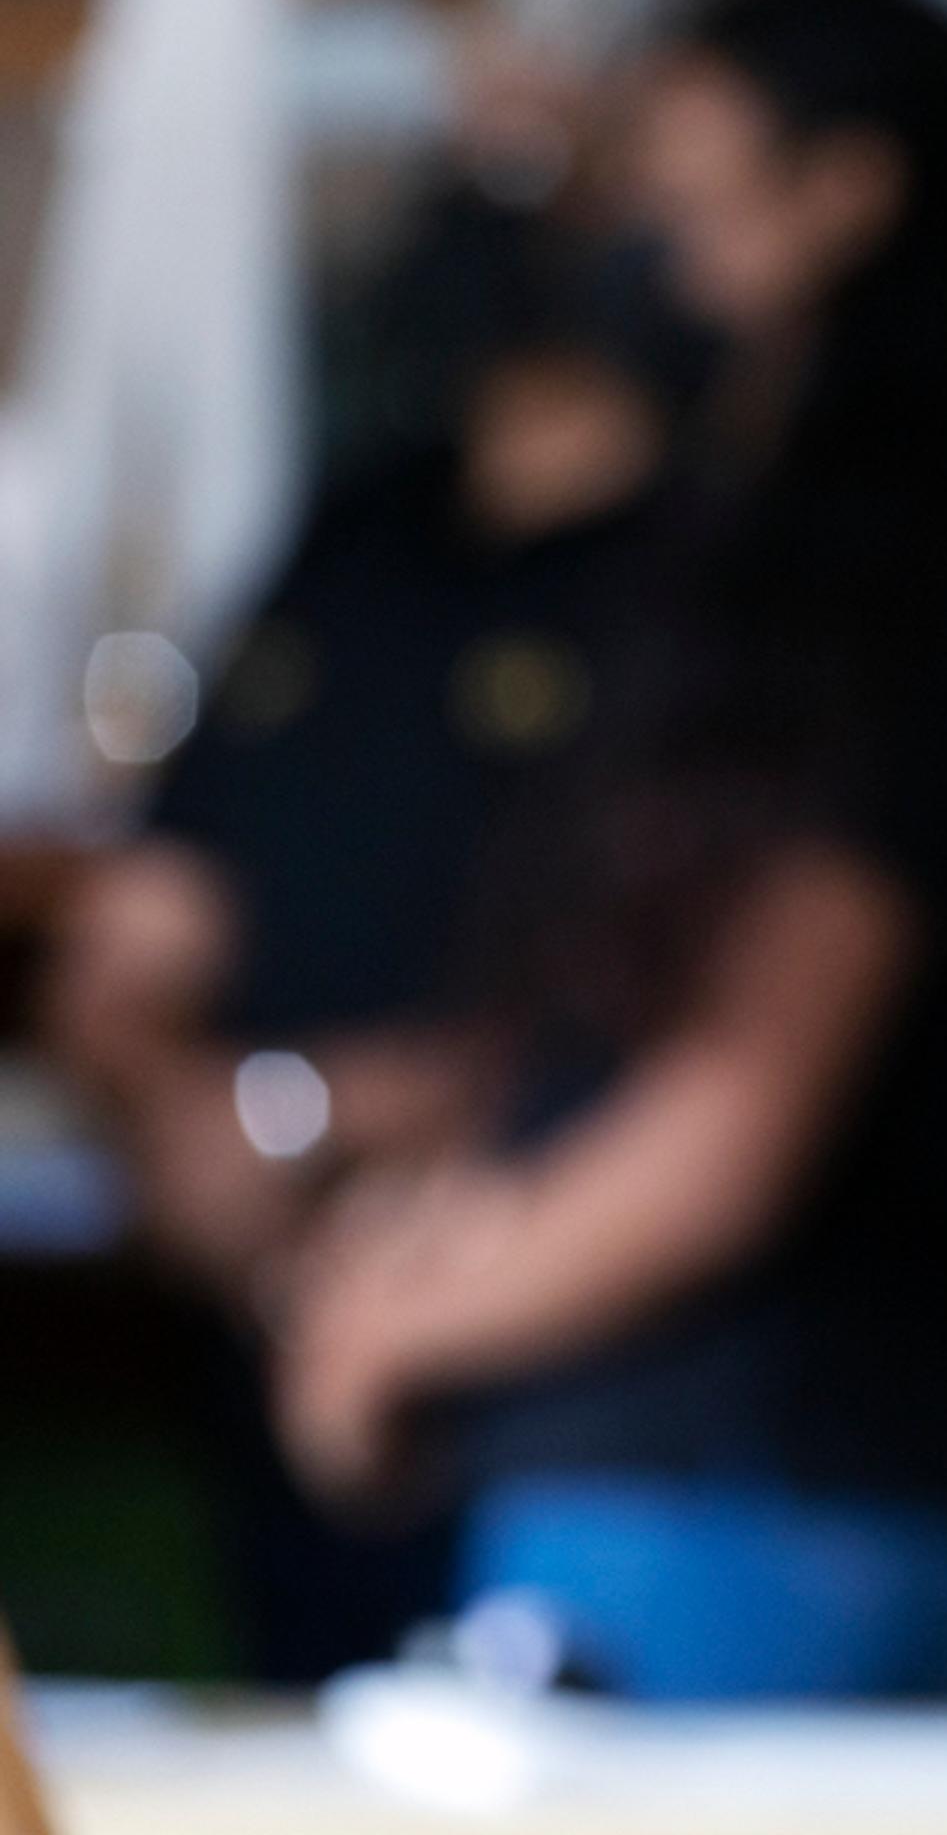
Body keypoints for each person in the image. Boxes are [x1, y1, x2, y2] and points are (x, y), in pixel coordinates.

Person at [269, 0, 947, 1700]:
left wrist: (394, 1323)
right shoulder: (772, 569)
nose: (644, 247)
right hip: (683, 1494)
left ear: (841, 199)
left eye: (686, 198)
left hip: (740, 1503)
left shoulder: (885, 604)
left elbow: (734, 1112)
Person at [38, 256, 683, 1678]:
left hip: (560, 1334)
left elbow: (682, 1005)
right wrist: (193, 1130)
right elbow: (149, 918)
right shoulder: (364, 536)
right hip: (266, 1315)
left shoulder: (706, 571)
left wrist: (301, 1115)